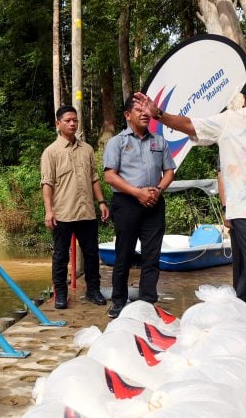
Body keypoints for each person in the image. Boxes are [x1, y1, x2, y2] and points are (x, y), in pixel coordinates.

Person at [133, 59, 246, 310]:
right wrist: (159, 114)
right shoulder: (231, 120)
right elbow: (190, 125)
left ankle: (244, 309)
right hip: (243, 207)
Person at [101, 96, 175, 318]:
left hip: (154, 202)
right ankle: (119, 301)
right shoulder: (117, 142)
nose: (145, 113)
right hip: (126, 203)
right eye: (138, 110)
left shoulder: (159, 141)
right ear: (127, 115)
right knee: (123, 254)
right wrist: (137, 193)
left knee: (152, 255)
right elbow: (109, 176)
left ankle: (147, 302)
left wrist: (158, 190)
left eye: (146, 110)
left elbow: (169, 171)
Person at [40, 105, 110, 309]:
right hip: (63, 213)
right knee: (61, 256)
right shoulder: (51, 152)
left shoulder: (87, 149)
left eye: (75, 120)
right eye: (68, 120)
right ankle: (61, 294)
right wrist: (49, 211)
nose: (72, 123)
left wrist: (102, 202)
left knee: (91, 254)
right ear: (58, 124)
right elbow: (47, 183)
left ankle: (93, 291)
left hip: (86, 211)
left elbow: (94, 178)